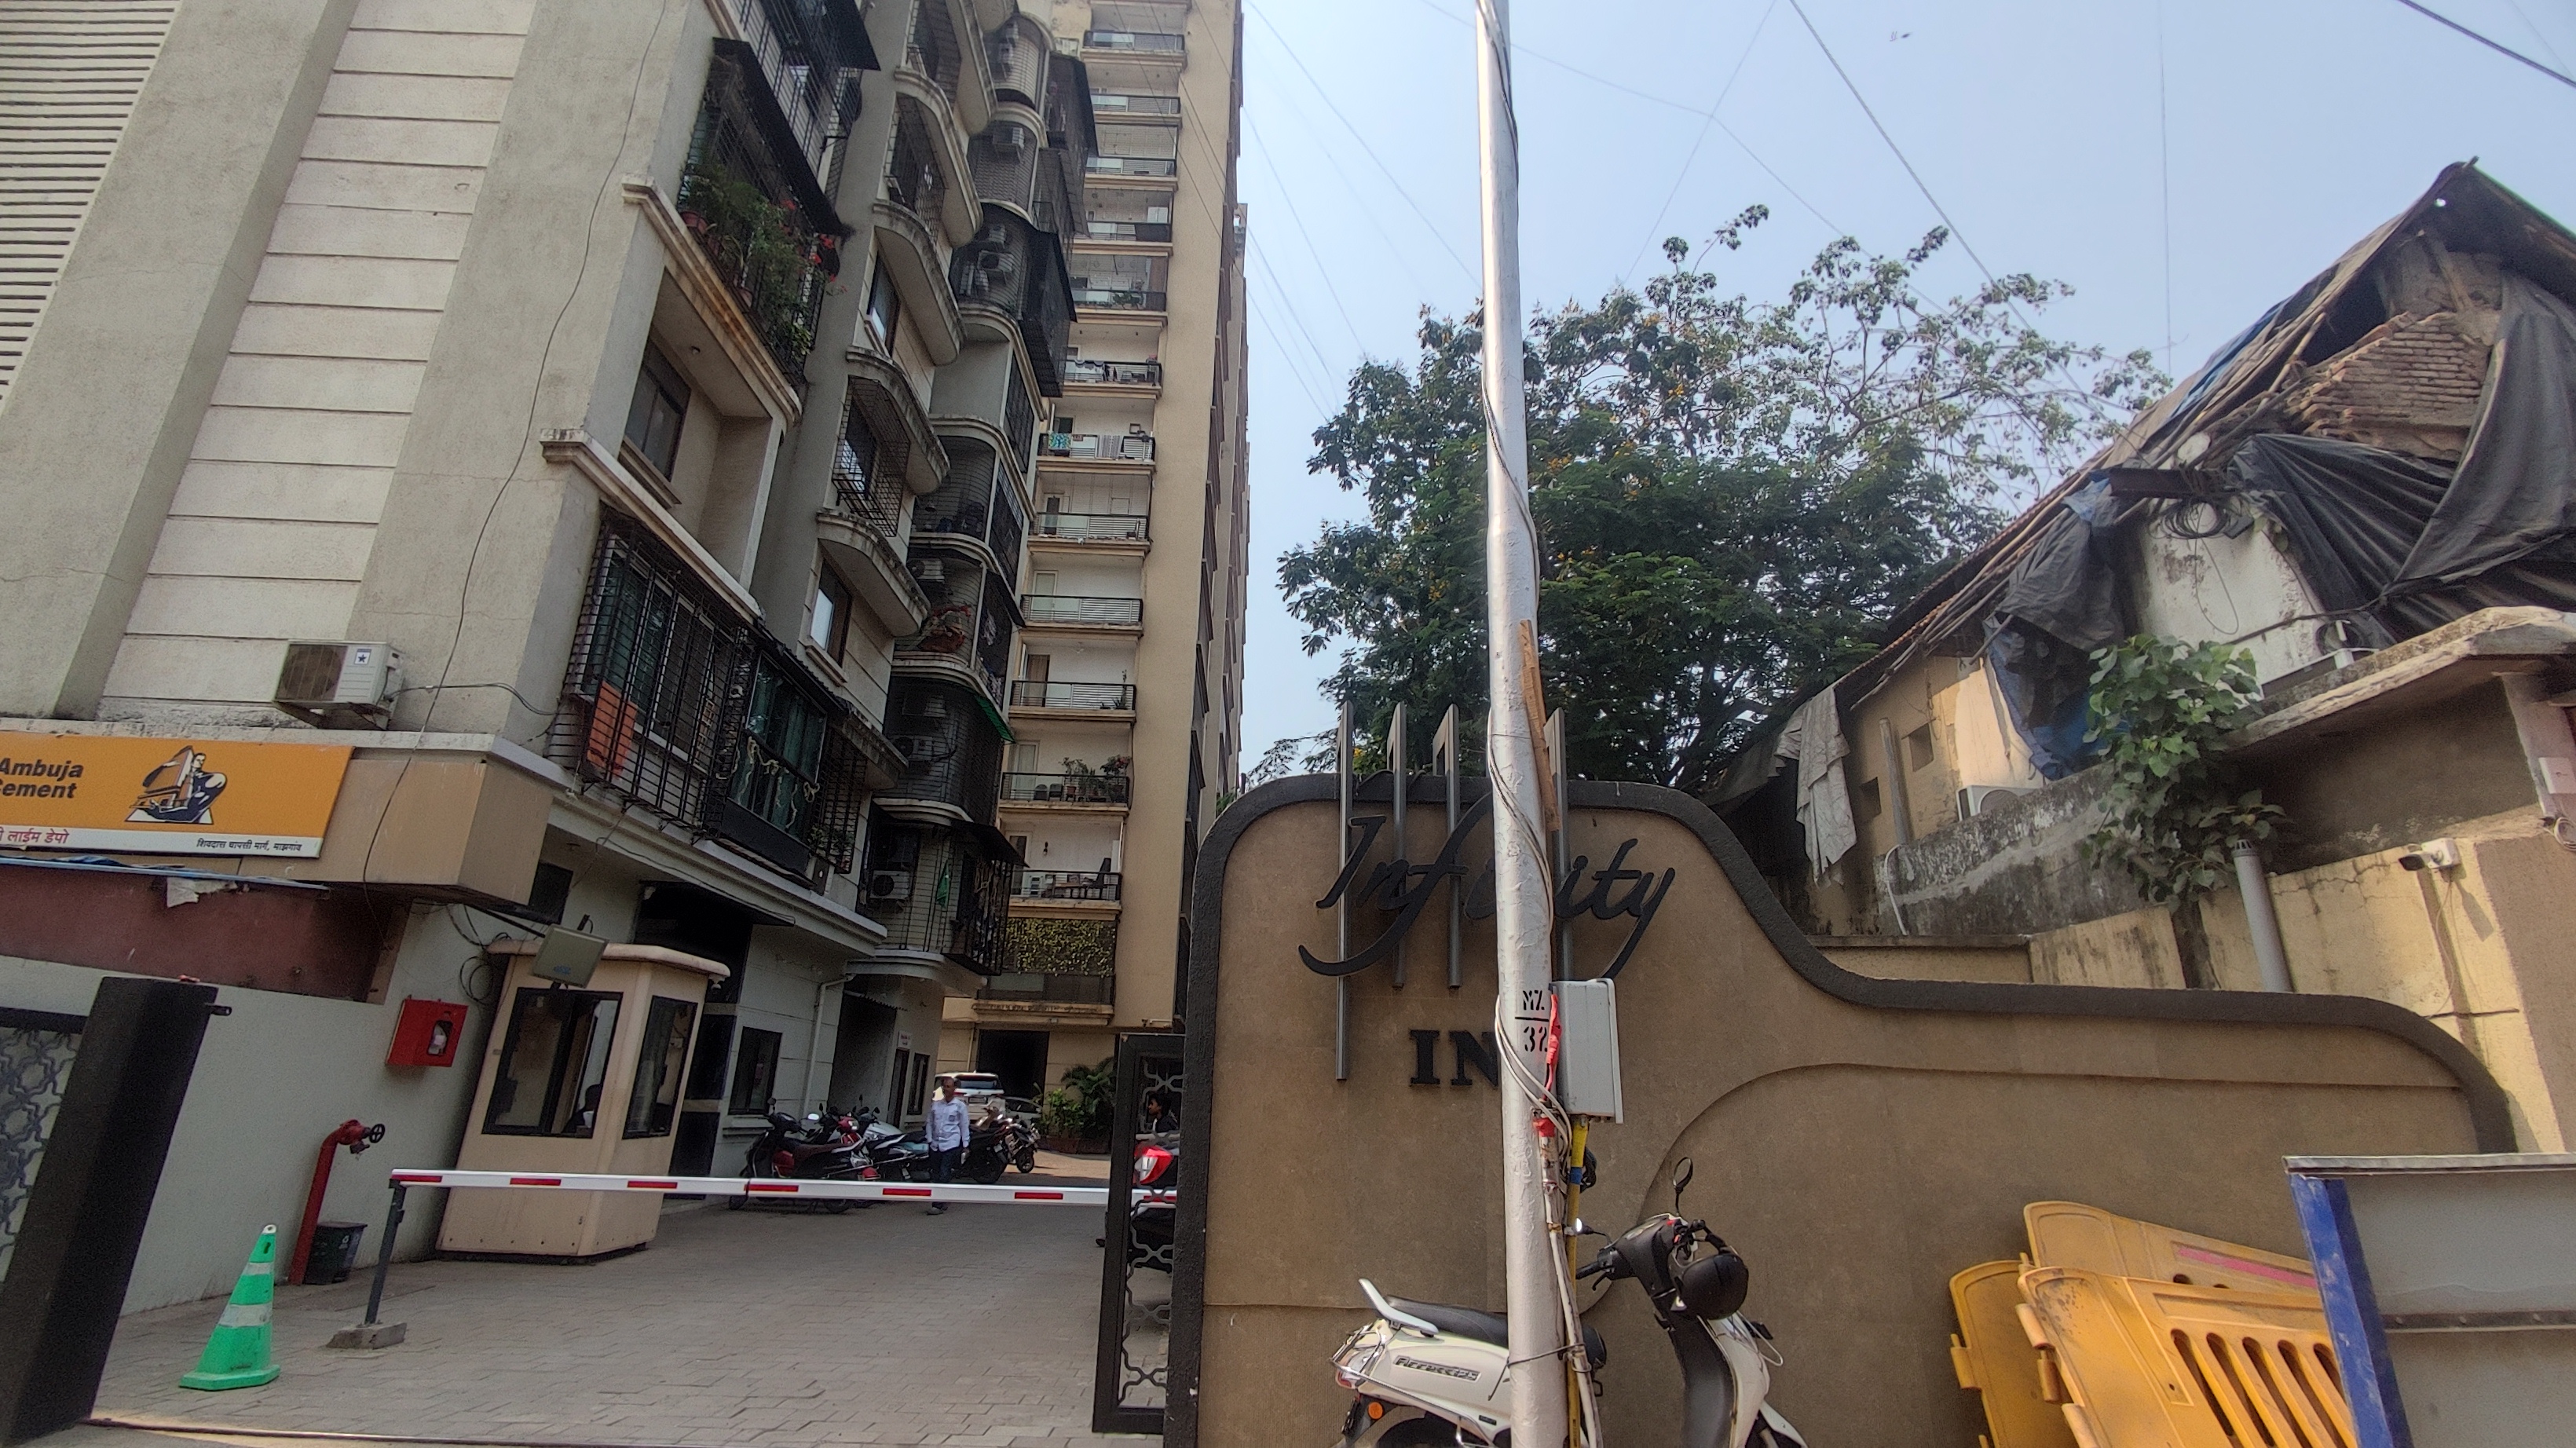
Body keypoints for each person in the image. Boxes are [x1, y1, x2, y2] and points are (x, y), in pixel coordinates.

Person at [924, 1074, 969, 1215]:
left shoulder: (959, 1106)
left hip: (951, 1144)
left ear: (954, 1089)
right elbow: (930, 1123)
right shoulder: (936, 1105)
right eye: (944, 1086)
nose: (946, 1089)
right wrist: (929, 1139)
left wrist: (966, 1144)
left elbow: (964, 1125)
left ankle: (937, 1205)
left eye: (949, 1087)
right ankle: (943, 1199)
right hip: (935, 1144)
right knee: (935, 1174)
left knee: (944, 1172)